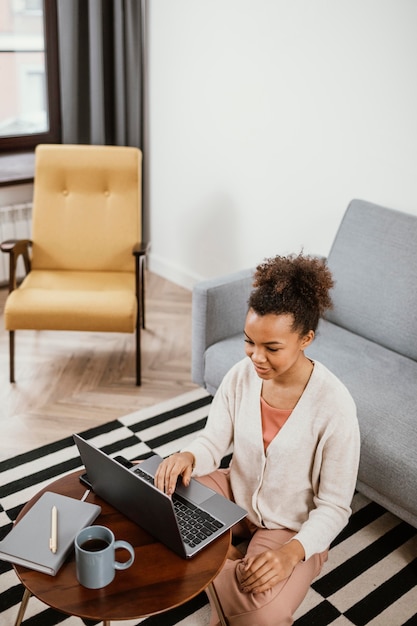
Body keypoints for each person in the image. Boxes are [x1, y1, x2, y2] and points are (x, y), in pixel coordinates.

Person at [155, 253, 360, 626]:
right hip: (236, 489)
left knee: (263, 615)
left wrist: (292, 553)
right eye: (250, 342)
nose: (256, 357)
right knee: (157, 500)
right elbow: (213, 442)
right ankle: (224, 562)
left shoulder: (336, 407)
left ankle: (215, 561)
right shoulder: (240, 375)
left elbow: (334, 507)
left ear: (306, 339)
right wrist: (187, 456)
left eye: (272, 348)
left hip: (291, 526)